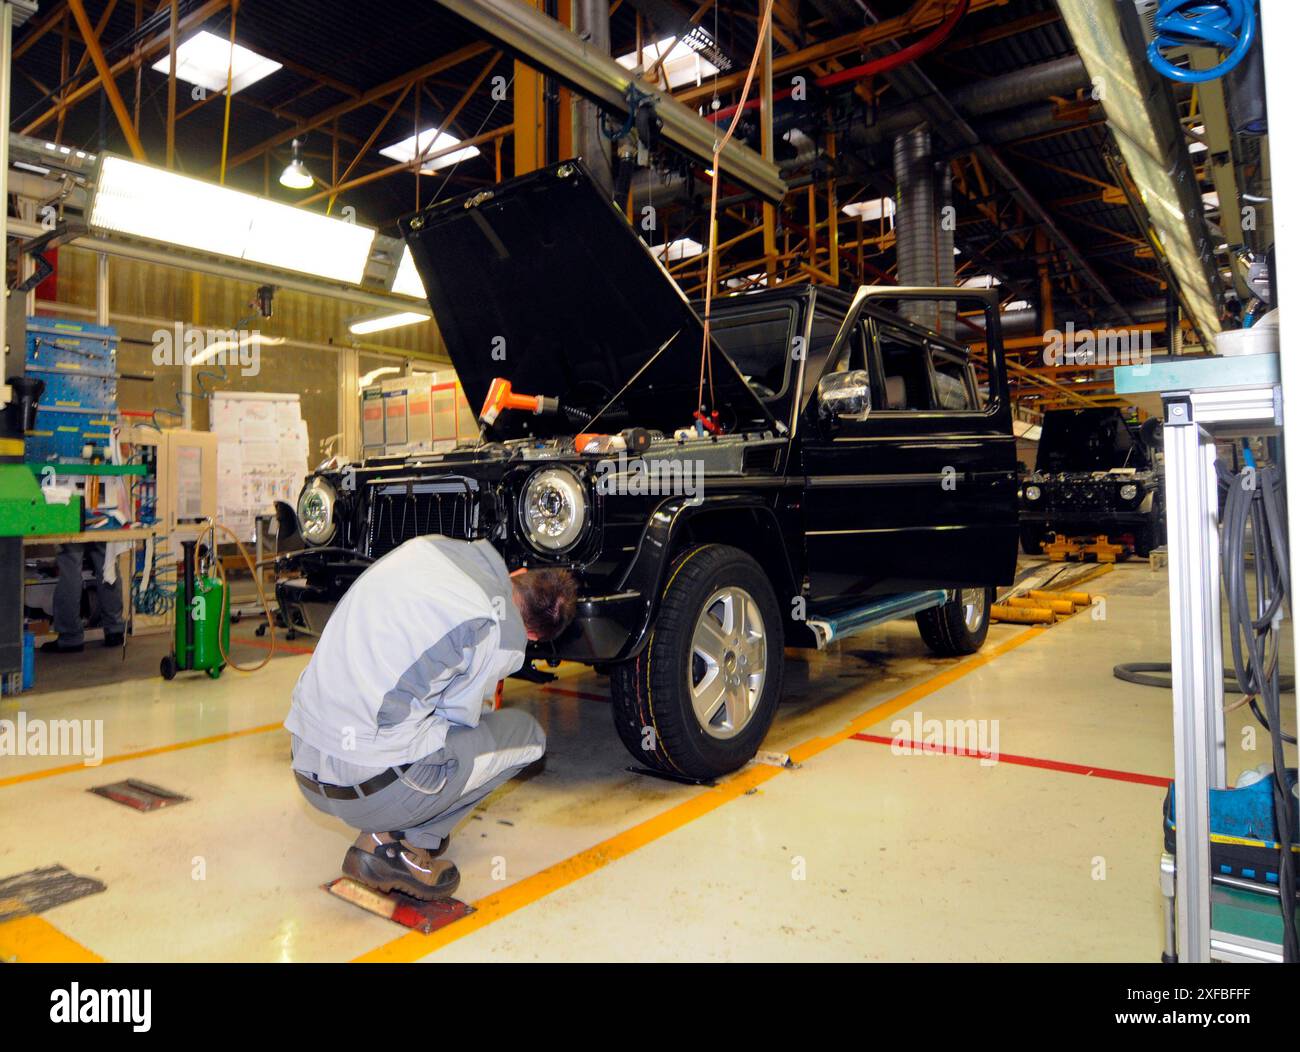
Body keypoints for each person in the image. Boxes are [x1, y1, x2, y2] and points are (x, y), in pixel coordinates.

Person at [286, 535, 578, 900]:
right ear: (533, 634)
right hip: (363, 790)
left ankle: (394, 829)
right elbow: (459, 720)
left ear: (517, 573)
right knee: (526, 737)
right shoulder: (496, 628)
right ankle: (401, 848)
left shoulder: (429, 548)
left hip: (305, 764)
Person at [42, 541, 125, 653]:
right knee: (108, 565)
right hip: (100, 524)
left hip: (73, 524)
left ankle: (70, 637)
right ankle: (114, 631)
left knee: (70, 567)